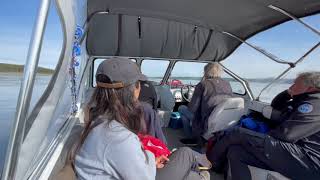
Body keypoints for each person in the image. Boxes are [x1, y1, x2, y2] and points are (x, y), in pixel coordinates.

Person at [74, 57, 210, 180]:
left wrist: (151, 161)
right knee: (186, 153)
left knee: (190, 176)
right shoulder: (120, 138)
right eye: (138, 83)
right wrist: (150, 162)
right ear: (134, 89)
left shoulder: (97, 122)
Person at [207, 72, 320, 180]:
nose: (292, 85)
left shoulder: (314, 104)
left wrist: (261, 138)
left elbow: (286, 135)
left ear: (310, 88)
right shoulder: (303, 100)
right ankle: (214, 164)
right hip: (294, 154)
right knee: (236, 152)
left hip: (308, 160)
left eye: (296, 83)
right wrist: (288, 92)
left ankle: (209, 163)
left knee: (236, 132)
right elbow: (276, 104)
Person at [178, 62, 232, 144]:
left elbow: (192, 109)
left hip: (205, 120)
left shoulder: (202, 85)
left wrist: (189, 103)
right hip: (222, 118)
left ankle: (192, 138)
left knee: (181, 109)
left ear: (206, 71)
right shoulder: (227, 84)